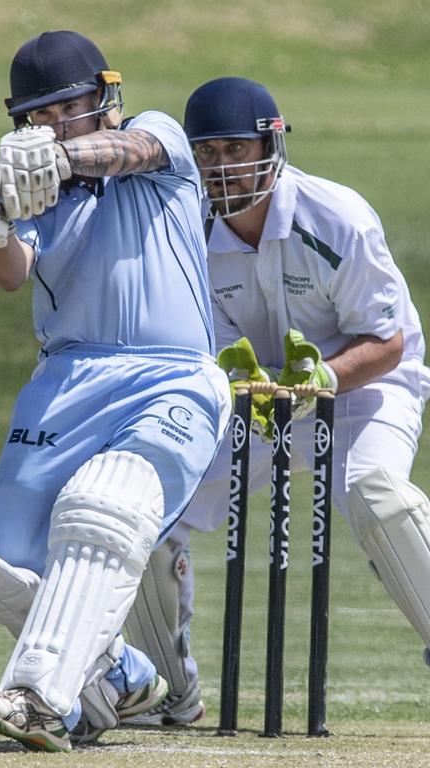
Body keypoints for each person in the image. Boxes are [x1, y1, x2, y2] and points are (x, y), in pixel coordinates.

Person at [0, 30, 230, 751]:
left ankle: (37, 697)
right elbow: (11, 273)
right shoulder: (37, 195)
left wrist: (62, 156)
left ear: (105, 98)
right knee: (1, 565)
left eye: (70, 108)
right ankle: (120, 676)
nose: (55, 124)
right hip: (64, 381)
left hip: (171, 376)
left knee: (100, 511)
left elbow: (129, 154)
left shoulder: (155, 136)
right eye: (39, 116)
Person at [122, 76, 430, 726]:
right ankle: (167, 694)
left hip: (365, 385)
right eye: (205, 154)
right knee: (150, 512)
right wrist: (251, 388)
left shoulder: (336, 217)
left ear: (271, 142)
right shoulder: (189, 232)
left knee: (378, 496)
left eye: (234, 149)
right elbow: (208, 348)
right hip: (259, 397)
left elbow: (389, 342)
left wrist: (319, 383)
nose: (220, 167)